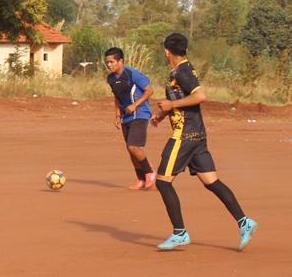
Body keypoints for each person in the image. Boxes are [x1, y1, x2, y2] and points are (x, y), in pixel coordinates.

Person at [151, 33, 258, 251]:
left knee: (162, 182)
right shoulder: (181, 69)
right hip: (197, 135)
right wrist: (163, 114)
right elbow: (184, 101)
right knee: (212, 182)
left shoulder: (182, 71)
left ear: (166, 51)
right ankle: (244, 222)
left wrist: (171, 106)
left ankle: (179, 232)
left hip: (185, 135)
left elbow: (200, 97)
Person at [105, 47, 156, 190]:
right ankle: (141, 180)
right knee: (131, 150)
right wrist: (117, 114)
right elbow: (117, 97)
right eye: (107, 62)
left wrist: (135, 105)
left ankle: (150, 172)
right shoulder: (110, 78)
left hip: (140, 114)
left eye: (112, 62)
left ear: (120, 61)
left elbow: (149, 91)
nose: (109, 65)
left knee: (133, 147)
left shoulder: (132, 74)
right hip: (126, 117)